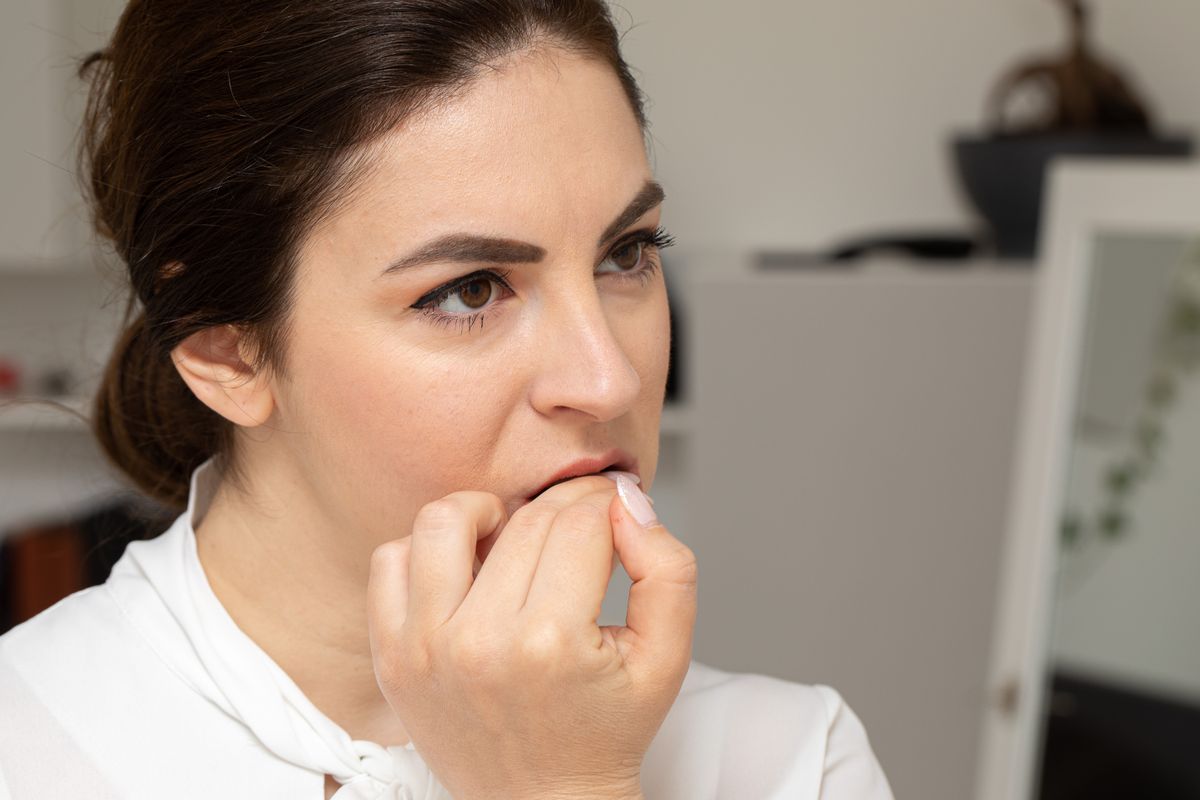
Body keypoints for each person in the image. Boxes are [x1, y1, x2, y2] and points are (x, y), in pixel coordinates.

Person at [0, 1, 894, 797]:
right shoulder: (27, 745)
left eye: (626, 252)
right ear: (223, 347)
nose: (610, 380)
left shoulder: (790, 763)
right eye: (470, 289)